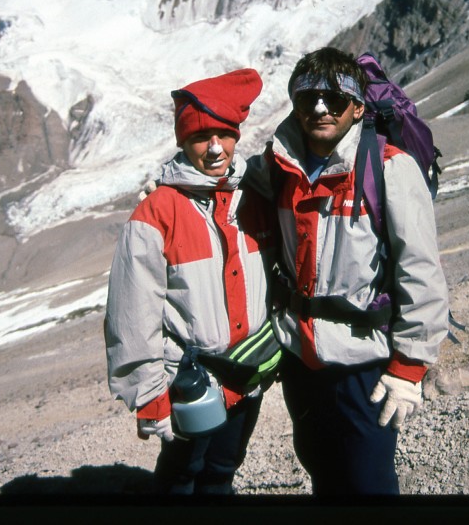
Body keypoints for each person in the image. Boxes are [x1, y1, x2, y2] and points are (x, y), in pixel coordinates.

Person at [249, 46, 450, 496]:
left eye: (335, 99)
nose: (320, 108)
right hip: (302, 359)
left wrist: (409, 367)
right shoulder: (277, 166)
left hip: (366, 361)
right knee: (323, 470)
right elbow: (229, 190)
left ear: (358, 107)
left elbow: (421, 271)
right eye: (308, 99)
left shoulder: (389, 166)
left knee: (367, 482)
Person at [104, 68, 276, 495]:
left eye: (224, 134)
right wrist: (148, 395)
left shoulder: (252, 196)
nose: (215, 148)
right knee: (181, 474)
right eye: (201, 137)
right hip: (188, 380)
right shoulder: (158, 211)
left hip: (247, 371)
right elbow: (132, 312)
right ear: (183, 142)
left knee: (223, 468)